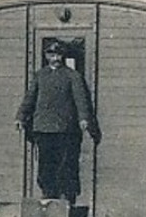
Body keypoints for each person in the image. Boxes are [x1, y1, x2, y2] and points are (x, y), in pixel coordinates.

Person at [15, 39, 100, 201]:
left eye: (58, 55)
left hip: (64, 129)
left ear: (63, 56)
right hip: (43, 128)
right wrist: (20, 116)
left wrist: (83, 118)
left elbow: (80, 99)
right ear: (47, 56)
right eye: (52, 54)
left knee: (65, 164)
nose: (55, 58)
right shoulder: (40, 76)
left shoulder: (72, 76)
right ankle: (48, 194)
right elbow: (29, 98)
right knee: (46, 165)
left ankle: (66, 196)